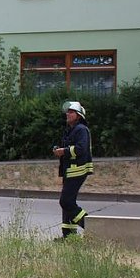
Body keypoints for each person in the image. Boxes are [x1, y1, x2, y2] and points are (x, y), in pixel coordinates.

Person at [52, 101, 93, 238]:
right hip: (69, 170)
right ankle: (69, 236)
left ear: (79, 115)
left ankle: (91, 227)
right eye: (67, 112)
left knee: (66, 201)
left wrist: (63, 151)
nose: (67, 114)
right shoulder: (71, 130)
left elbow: (81, 149)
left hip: (77, 170)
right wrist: (58, 149)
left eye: (71, 112)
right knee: (67, 203)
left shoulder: (81, 129)